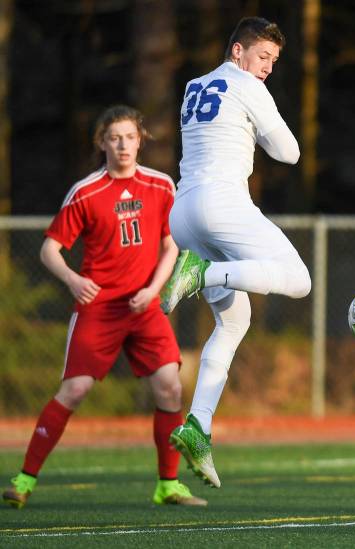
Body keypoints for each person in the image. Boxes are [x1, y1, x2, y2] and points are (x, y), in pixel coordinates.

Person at [2, 106, 205, 509]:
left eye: (130, 136)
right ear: (102, 143)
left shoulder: (161, 185)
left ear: (141, 139)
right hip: (99, 309)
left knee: (170, 386)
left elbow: (171, 244)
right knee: (74, 390)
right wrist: (73, 279)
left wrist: (154, 290)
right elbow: (49, 250)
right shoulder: (86, 191)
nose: (123, 145)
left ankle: (168, 486)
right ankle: (23, 480)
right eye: (114, 137)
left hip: (145, 307)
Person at [160, 16, 310, 489]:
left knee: (234, 321)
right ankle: (201, 273)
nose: (267, 68)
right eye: (263, 57)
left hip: (183, 212)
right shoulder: (246, 83)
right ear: (237, 52)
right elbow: (289, 153)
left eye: (273, 61)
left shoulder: (193, 84)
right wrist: (263, 122)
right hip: (220, 204)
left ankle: (198, 425)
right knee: (299, 279)